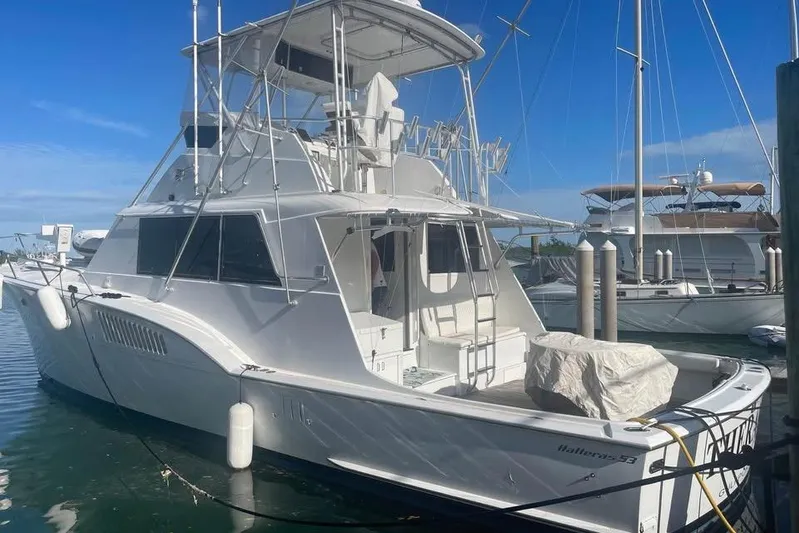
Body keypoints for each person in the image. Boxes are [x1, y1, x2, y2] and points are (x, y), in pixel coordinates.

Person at [371, 241, 388, 315]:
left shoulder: (368, 243)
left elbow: (375, 261)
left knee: (373, 314)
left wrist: (371, 280)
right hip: (379, 287)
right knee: (373, 314)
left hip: (377, 287)